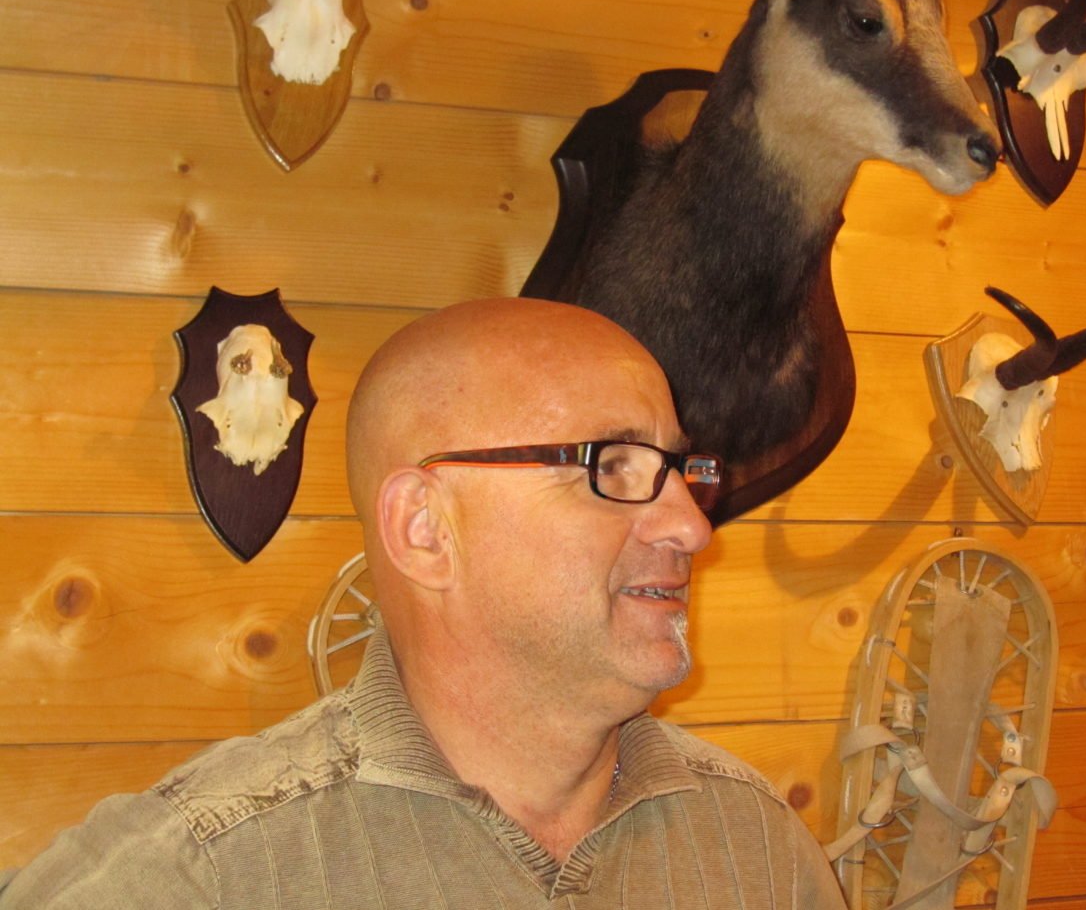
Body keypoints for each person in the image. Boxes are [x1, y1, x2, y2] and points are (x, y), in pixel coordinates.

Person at [0, 297, 847, 908]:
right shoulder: (209, 871)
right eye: (612, 466)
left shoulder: (753, 842)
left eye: (675, 469)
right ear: (424, 530)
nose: (690, 527)